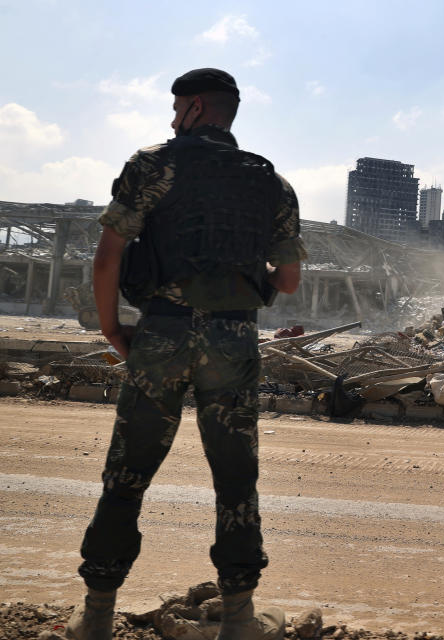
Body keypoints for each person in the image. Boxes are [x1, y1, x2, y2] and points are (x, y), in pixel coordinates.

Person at [67, 68, 305, 640]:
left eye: (177, 109)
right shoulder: (271, 182)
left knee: (127, 473)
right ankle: (241, 619)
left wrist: (112, 330)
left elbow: (106, 260)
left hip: (162, 335)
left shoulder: (152, 164)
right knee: (236, 478)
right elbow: (290, 281)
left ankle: (96, 616)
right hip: (233, 340)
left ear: (196, 107)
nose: (172, 120)